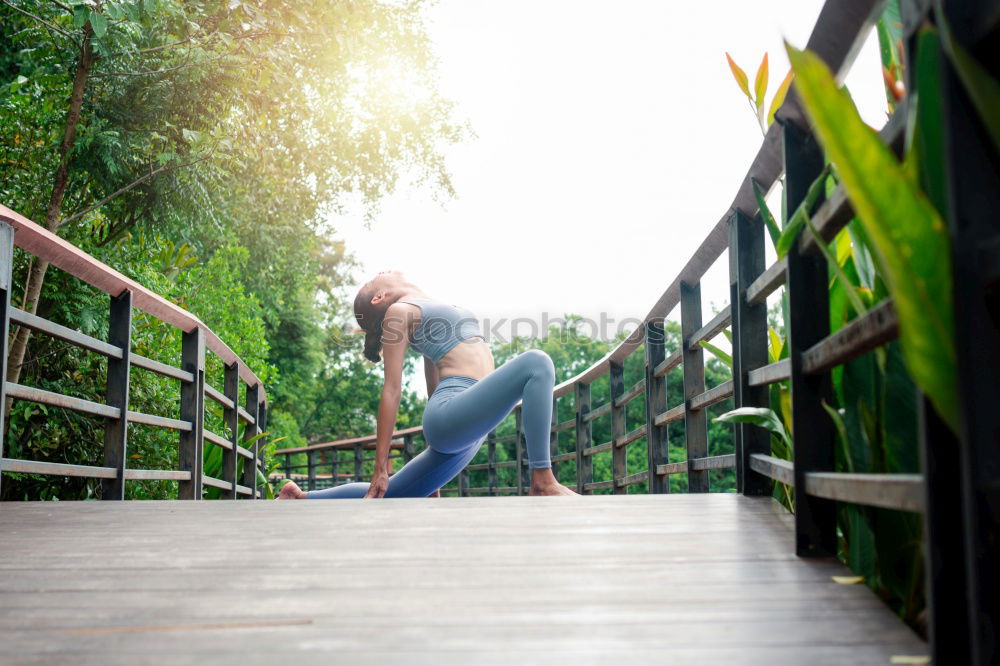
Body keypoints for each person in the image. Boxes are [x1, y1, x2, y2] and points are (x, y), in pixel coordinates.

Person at [277, 270, 578, 499]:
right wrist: (380, 467)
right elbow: (392, 390)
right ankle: (543, 480)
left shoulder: (425, 309)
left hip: (466, 427)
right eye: (376, 276)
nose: (383, 269)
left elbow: (433, 380)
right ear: (378, 297)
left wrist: (436, 446)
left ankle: (300, 497)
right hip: (452, 415)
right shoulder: (399, 312)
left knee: (394, 494)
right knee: (537, 363)